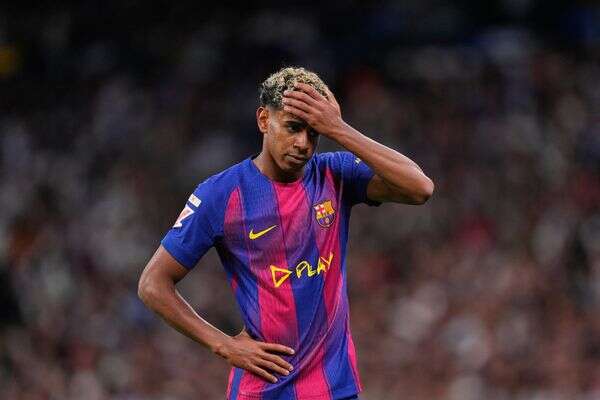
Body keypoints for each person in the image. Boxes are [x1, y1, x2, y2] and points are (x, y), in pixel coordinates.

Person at [138, 67, 434, 400]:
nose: (303, 144)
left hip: (335, 389)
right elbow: (152, 284)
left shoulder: (335, 173)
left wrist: (339, 128)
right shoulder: (221, 194)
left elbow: (420, 188)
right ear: (264, 120)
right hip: (264, 390)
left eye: (314, 132)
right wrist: (224, 345)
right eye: (293, 127)